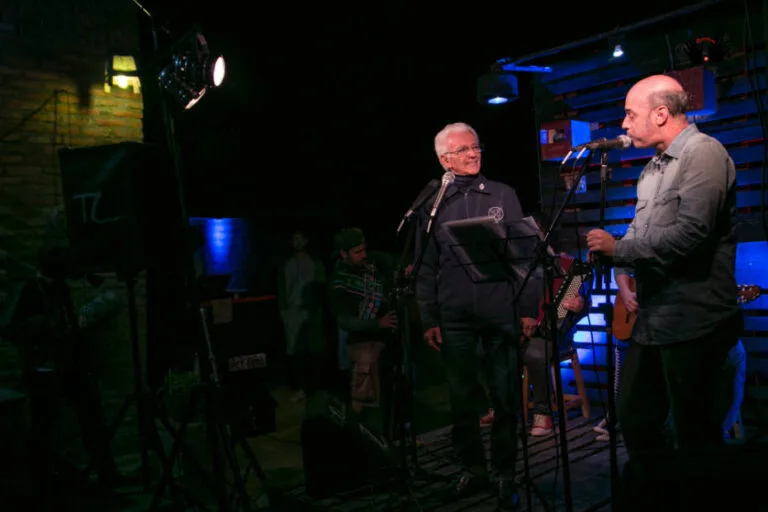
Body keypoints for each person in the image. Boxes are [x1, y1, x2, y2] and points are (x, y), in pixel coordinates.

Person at [586, 75, 740, 508]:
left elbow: (692, 235)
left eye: (630, 114)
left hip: (694, 320)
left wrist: (621, 248)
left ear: (660, 113)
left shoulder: (703, 154)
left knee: (696, 434)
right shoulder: (652, 169)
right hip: (654, 320)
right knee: (635, 419)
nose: (624, 122)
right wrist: (619, 264)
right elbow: (640, 232)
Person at [415, 122, 541, 509]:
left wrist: (526, 310)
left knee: (505, 400)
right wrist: (428, 317)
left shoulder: (503, 194)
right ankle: (473, 469)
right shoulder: (433, 203)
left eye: (476, 147)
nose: (473, 154)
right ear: (443, 159)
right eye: (463, 150)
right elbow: (425, 266)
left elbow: (526, 259)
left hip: (500, 314)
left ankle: (504, 473)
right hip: (454, 318)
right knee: (461, 402)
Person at [480, 214, 591, 438]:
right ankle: (501, 406)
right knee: (484, 349)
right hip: (516, 331)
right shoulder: (513, 268)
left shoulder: (565, 264)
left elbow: (582, 306)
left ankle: (543, 413)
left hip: (554, 332)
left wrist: (580, 305)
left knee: (535, 354)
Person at [328, 228, 397, 434]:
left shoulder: (370, 264)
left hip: (385, 338)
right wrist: (378, 324)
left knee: (388, 388)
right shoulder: (339, 282)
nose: (364, 255)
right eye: (357, 252)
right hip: (362, 342)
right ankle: (353, 438)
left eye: (363, 250)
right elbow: (345, 321)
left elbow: (388, 260)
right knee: (362, 393)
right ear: (343, 254)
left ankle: (387, 435)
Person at [277, 230, 327, 402]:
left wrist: (317, 309)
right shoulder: (286, 264)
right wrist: (284, 311)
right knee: (297, 353)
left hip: (311, 311)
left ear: (306, 241)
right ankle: (301, 388)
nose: (297, 242)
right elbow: (282, 288)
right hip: (293, 311)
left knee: (314, 351)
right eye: (294, 239)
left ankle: (316, 389)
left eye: (300, 239)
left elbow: (321, 286)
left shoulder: (315, 262)